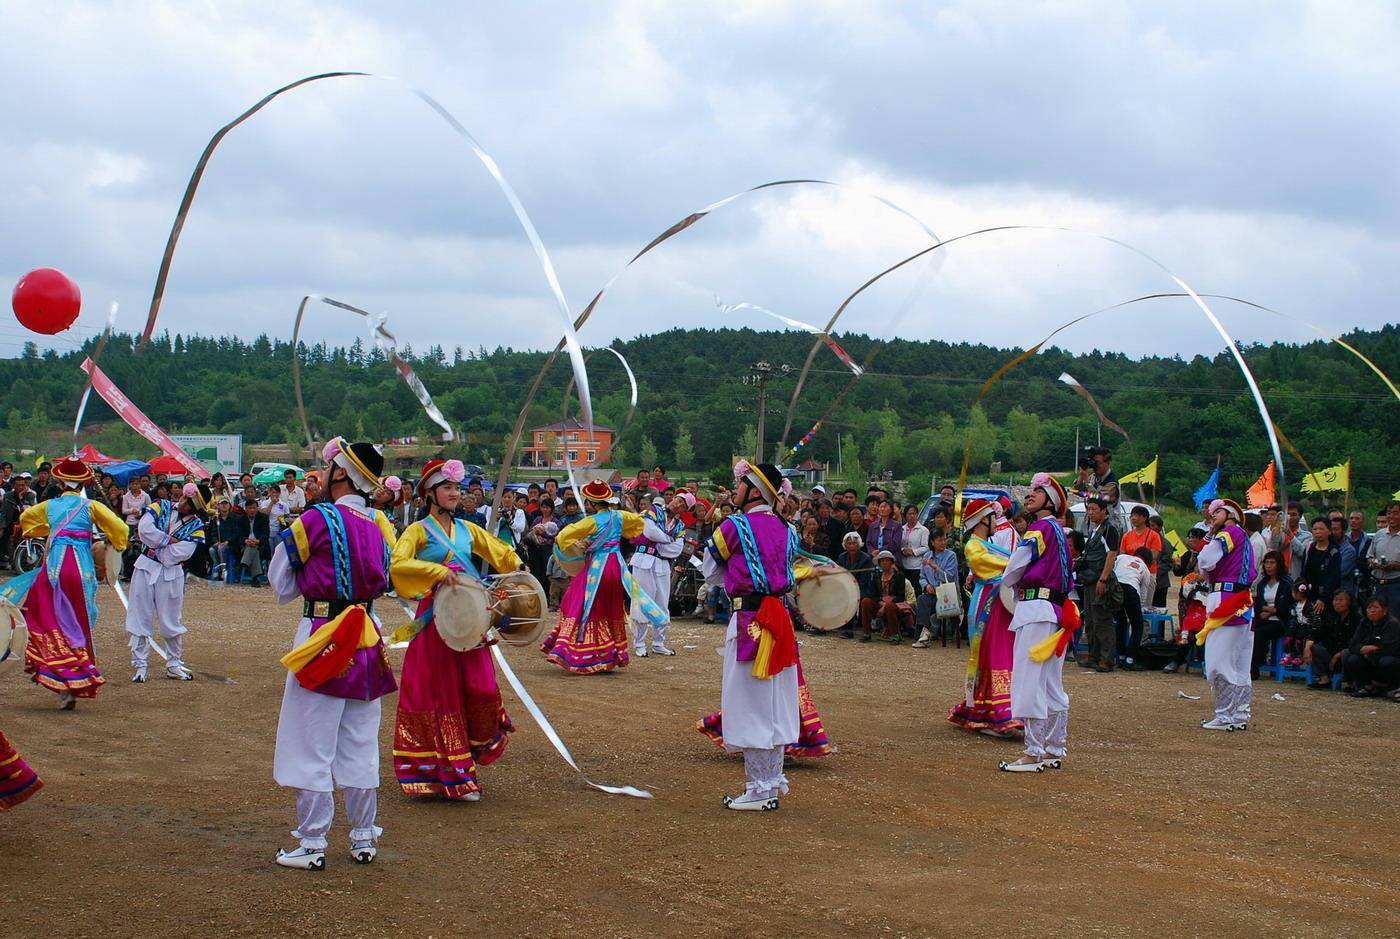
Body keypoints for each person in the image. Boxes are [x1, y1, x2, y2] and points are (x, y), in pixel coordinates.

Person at [269, 438, 398, 870]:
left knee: (312, 740)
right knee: (360, 741)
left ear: (339, 472)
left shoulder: (318, 518)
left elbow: (281, 584)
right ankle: (363, 837)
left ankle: (312, 842)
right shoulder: (379, 524)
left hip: (323, 634)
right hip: (365, 633)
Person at [386, 459, 523, 801]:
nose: (453, 493)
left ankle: (469, 753)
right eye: (447, 488)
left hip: (469, 619)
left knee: (480, 687)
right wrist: (435, 572)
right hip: (436, 620)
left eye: (456, 488)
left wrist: (520, 570)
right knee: (438, 693)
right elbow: (398, 564)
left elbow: (500, 552)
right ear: (430, 494)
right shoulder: (417, 531)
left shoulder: (468, 528)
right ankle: (452, 774)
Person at [699, 460, 805, 810]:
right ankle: (772, 781)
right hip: (781, 620)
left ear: (754, 491)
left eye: (741, 483)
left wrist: (735, 577)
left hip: (749, 620)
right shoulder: (789, 530)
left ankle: (759, 789)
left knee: (749, 703)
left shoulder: (735, 525)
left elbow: (711, 570)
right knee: (775, 702)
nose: (735, 489)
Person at [10, 457, 128, 709]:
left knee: (44, 615)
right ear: (83, 482)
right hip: (80, 570)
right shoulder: (91, 506)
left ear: (59, 481)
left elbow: (27, 521)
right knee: (77, 622)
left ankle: (50, 666)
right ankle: (74, 678)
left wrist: (51, 530)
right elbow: (120, 529)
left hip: (54, 569)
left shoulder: (49, 505)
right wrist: (113, 543)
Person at [540, 479, 670, 674]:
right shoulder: (619, 516)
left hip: (597, 567)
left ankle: (583, 654)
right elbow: (637, 525)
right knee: (609, 607)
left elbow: (564, 537)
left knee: (576, 601)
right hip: (615, 566)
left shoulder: (591, 521)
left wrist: (581, 544)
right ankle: (609, 653)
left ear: (592, 503)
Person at [998, 473, 1074, 772]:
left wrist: (1010, 582)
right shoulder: (1060, 531)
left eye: (1037, 491)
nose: (1029, 495)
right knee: (1050, 683)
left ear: (1051, 501)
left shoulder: (1040, 528)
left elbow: (1015, 565)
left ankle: (1033, 752)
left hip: (1035, 609)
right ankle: (1054, 747)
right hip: (1055, 611)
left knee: (1028, 680)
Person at [947, 499, 1021, 736]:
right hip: (987, 602)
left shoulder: (984, 543)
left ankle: (998, 709)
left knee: (1000, 649)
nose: (995, 522)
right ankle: (996, 712)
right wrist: (1016, 564)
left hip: (998, 600)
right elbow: (985, 563)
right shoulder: (973, 545)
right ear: (983, 520)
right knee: (991, 651)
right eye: (992, 518)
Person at [125, 482, 206, 682]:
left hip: (171, 574)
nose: (184, 504)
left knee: (171, 619)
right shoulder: (161, 505)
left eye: (189, 504)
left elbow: (180, 554)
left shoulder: (197, 526)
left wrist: (157, 544)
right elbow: (144, 530)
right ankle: (140, 665)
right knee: (139, 613)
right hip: (145, 567)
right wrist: (169, 541)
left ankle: (173, 664)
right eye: (185, 499)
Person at [1195, 499, 1259, 731]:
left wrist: (1212, 534)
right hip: (1241, 601)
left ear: (1231, 513)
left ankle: (1224, 716)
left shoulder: (1229, 533)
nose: (1213, 516)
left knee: (1218, 662)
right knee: (1240, 663)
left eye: (1217, 512)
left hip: (1226, 599)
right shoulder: (1240, 535)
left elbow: (1205, 560)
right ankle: (1239, 714)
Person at [630, 491, 689, 657]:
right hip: (644, 559)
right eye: (678, 500)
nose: (678, 504)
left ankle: (658, 642)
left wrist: (661, 543)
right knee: (642, 600)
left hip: (662, 564)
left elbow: (677, 549)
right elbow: (649, 532)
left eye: (683, 505)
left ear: (683, 510)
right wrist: (668, 539)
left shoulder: (680, 526)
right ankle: (639, 643)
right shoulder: (654, 510)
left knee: (662, 602)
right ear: (673, 499)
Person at [1076, 497, 1121, 672]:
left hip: (1100, 579)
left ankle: (1107, 658)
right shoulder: (1095, 530)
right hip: (1089, 579)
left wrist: (1103, 579)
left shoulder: (1109, 530)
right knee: (1091, 620)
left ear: (1104, 511)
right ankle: (1094, 655)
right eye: (1089, 509)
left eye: (1094, 509)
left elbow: (1111, 554)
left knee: (1102, 620)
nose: (1091, 512)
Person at [1341, 595, 1400, 698]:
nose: (1372, 611)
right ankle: (1366, 687)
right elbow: (1353, 644)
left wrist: (1370, 652)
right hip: (1370, 657)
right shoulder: (1364, 622)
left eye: (1376, 608)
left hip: (1389, 659)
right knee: (1352, 658)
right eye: (1369, 608)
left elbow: (1389, 649)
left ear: (1385, 610)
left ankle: (1393, 688)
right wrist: (1362, 649)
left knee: (1387, 661)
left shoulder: (1392, 623)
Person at [1304, 589, 1358, 689]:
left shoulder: (1356, 619)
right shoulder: (1331, 617)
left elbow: (1356, 643)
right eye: (1335, 600)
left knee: (1348, 653)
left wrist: (1338, 655)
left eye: (1341, 600)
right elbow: (1317, 633)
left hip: (1347, 656)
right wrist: (1307, 646)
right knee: (1313, 646)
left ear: (1350, 602)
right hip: (1330, 656)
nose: (1337, 603)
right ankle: (1324, 679)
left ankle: (1351, 683)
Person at [913, 529, 959, 647]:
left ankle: (925, 633)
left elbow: (949, 576)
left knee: (931, 601)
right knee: (922, 599)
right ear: (932, 542)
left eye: (944, 539)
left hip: (947, 593)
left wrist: (936, 568)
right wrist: (927, 585)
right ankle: (924, 632)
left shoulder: (951, 556)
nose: (943, 542)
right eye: (939, 540)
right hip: (932, 592)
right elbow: (922, 577)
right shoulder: (927, 556)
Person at [1251, 551, 1292, 680]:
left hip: (1280, 621)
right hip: (1264, 618)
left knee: (1260, 633)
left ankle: (1254, 668)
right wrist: (1268, 610)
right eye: (1267, 563)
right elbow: (1257, 605)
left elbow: (1285, 607)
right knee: (1249, 631)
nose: (1269, 566)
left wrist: (1271, 611)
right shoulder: (1262, 584)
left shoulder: (1286, 583)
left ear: (1278, 564)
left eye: (1272, 563)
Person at [1113, 547, 1155, 670]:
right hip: (1131, 590)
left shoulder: (1122, 557)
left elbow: (1112, 569)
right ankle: (1130, 659)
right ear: (1148, 561)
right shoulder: (1146, 570)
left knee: (1120, 623)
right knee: (1137, 626)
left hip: (1116, 588)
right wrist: (1140, 608)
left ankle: (1120, 656)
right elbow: (1143, 594)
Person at [836, 531, 873, 639]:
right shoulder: (842, 557)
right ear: (845, 545)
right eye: (849, 543)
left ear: (859, 544)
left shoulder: (865, 558)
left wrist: (850, 589)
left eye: (854, 543)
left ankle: (848, 629)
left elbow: (864, 580)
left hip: (862, 588)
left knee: (850, 598)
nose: (852, 546)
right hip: (846, 587)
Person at [1365, 501, 1400, 611]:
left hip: (1396, 585)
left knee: (1394, 619)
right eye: (1389, 513)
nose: (1391, 516)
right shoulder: (1379, 534)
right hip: (1377, 584)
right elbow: (1369, 556)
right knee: (1376, 617)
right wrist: (1373, 563)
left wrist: (1395, 566)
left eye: (1395, 513)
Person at [1, 473, 37, 569]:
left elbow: (28, 510)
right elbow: (3, 512)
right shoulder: (7, 496)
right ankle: (8, 559)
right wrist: (2, 527)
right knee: (6, 537)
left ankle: (22, 561)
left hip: (26, 523)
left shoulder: (30, 495)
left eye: (22, 485)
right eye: (18, 485)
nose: (20, 487)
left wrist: (21, 498)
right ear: (13, 486)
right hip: (10, 522)